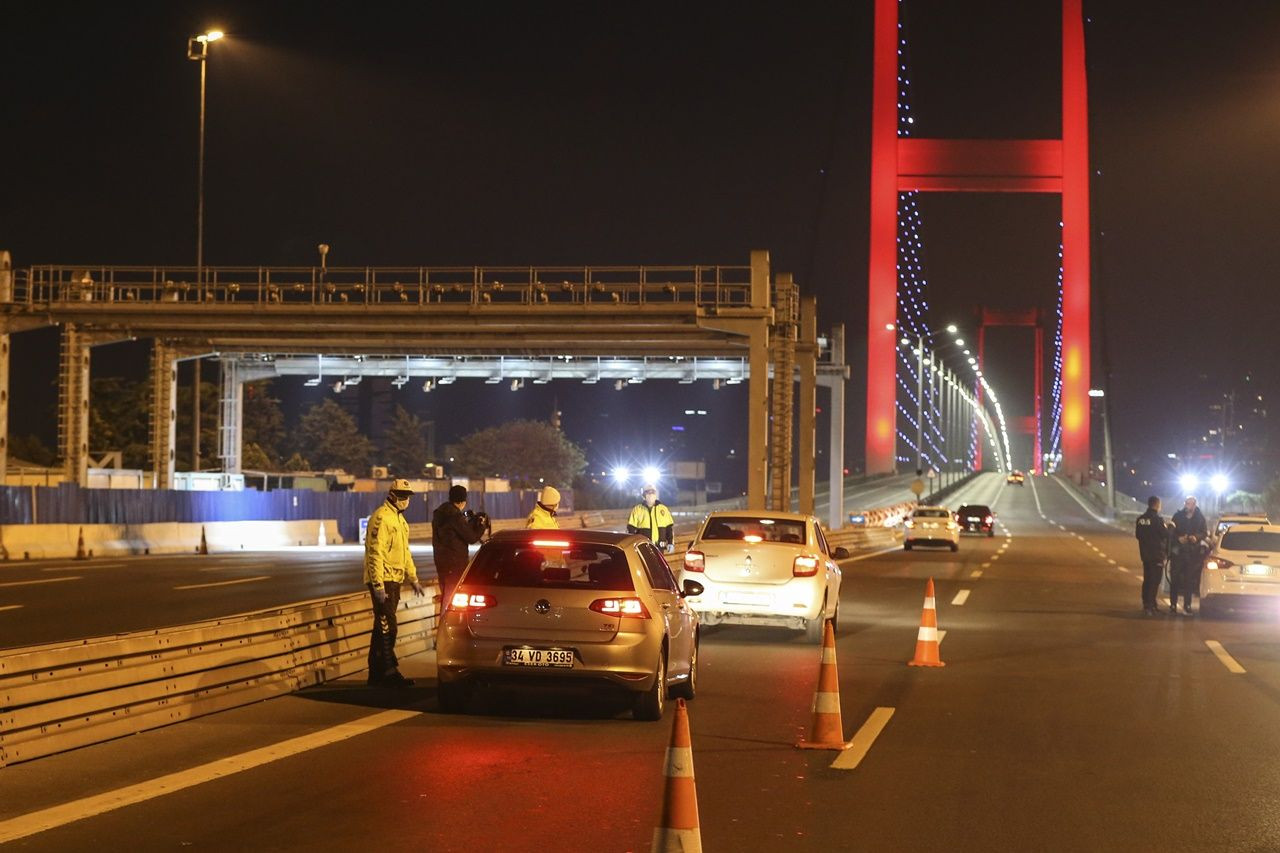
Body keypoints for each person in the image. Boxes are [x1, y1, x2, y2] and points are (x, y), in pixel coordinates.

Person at [363, 478, 425, 687]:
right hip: (384, 580)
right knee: (389, 627)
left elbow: (405, 553)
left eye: (407, 496)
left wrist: (413, 578)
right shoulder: (382, 518)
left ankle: (376, 674)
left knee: (381, 628)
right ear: (391, 495)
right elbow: (375, 553)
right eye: (402, 496)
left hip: (395, 580)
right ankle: (389, 672)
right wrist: (378, 584)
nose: (405, 500)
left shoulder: (400, 521)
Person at [431, 484, 487, 605]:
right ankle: (447, 622)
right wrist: (482, 526)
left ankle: (445, 621)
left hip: (441, 562)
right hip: (455, 564)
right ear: (463, 501)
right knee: (451, 599)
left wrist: (469, 522)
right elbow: (471, 537)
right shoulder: (455, 516)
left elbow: (458, 532)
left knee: (446, 595)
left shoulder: (439, 513)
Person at [1168, 495, 1209, 615]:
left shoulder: (1200, 518)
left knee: (1189, 581)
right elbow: (1170, 531)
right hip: (1178, 552)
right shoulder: (1177, 516)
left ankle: (1187, 605)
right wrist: (1179, 538)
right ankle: (1173, 605)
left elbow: (1204, 533)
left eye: (1189, 503)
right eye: (1186, 503)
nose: (1187, 505)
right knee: (1174, 579)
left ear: (1194, 505)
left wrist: (1195, 537)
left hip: (1192, 553)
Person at [1134, 495, 1170, 615]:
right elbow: (1165, 535)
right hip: (1157, 555)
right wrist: (1171, 528)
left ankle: (1147, 603)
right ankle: (1151, 605)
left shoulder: (1140, 519)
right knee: (1155, 581)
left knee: (1147, 579)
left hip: (1145, 554)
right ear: (1157, 505)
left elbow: (1138, 535)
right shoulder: (1158, 520)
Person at [627, 484, 675, 552]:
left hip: (659, 548)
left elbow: (669, 528)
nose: (651, 494)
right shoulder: (637, 510)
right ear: (643, 495)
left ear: (656, 494)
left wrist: (670, 543)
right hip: (643, 548)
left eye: (653, 492)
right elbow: (631, 530)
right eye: (648, 492)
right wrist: (632, 545)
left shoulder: (663, 509)